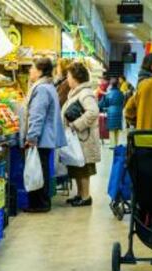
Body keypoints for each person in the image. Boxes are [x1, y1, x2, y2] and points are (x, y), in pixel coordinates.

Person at [22, 58, 67, 213]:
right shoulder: (48, 86)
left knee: (38, 170)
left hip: (41, 138)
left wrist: (31, 137)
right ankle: (42, 202)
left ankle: (39, 203)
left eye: (32, 68)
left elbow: (37, 115)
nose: (30, 71)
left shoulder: (41, 89)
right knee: (42, 169)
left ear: (40, 71)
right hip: (47, 137)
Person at [62, 62, 101, 207]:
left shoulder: (85, 93)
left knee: (84, 169)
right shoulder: (77, 92)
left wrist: (76, 125)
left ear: (76, 77)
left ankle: (86, 197)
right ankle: (79, 194)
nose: (67, 79)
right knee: (78, 168)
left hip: (84, 138)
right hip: (78, 138)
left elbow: (93, 112)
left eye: (69, 76)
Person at [99, 77, 124, 148]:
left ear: (111, 85)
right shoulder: (121, 93)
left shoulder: (108, 93)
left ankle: (112, 145)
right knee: (117, 129)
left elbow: (103, 104)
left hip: (111, 112)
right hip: (119, 112)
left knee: (111, 130)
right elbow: (123, 102)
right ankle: (116, 144)